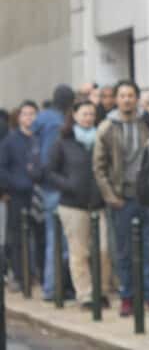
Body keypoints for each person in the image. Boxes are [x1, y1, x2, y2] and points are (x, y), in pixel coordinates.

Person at [92, 79, 149, 316]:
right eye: (122, 95)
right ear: (116, 99)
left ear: (137, 98)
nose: (126, 100)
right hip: (122, 198)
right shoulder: (107, 127)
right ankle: (128, 297)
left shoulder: (148, 122)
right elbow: (99, 167)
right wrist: (110, 196)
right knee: (124, 251)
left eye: (130, 95)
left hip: (148, 197)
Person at [46, 100, 112, 311]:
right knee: (79, 252)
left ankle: (101, 291)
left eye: (92, 114)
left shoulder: (101, 139)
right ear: (74, 115)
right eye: (84, 114)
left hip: (98, 203)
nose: (88, 118)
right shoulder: (62, 142)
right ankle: (85, 295)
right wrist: (68, 184)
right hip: (72, 205)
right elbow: (49, 171)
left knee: (103, 250)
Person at [33, 84, 75, 301]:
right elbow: (53, 158)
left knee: (52, 238)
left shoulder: (41, 119)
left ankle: (53, 286)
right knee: (61, 240)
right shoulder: (57, 123)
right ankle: (55, 287)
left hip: (45, 186)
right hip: (56, 187)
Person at [0, 101, 40, 292]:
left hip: (39, 193)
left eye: (33, 114)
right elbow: (2, 168)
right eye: (26, 114)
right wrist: (14, 184)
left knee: (40, 234)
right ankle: (19, 274)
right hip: (18, 195)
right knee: (17, 236)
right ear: (19, 117)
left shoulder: (40, 138)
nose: (29, 118)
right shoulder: (10, 141)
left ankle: (37, 271)